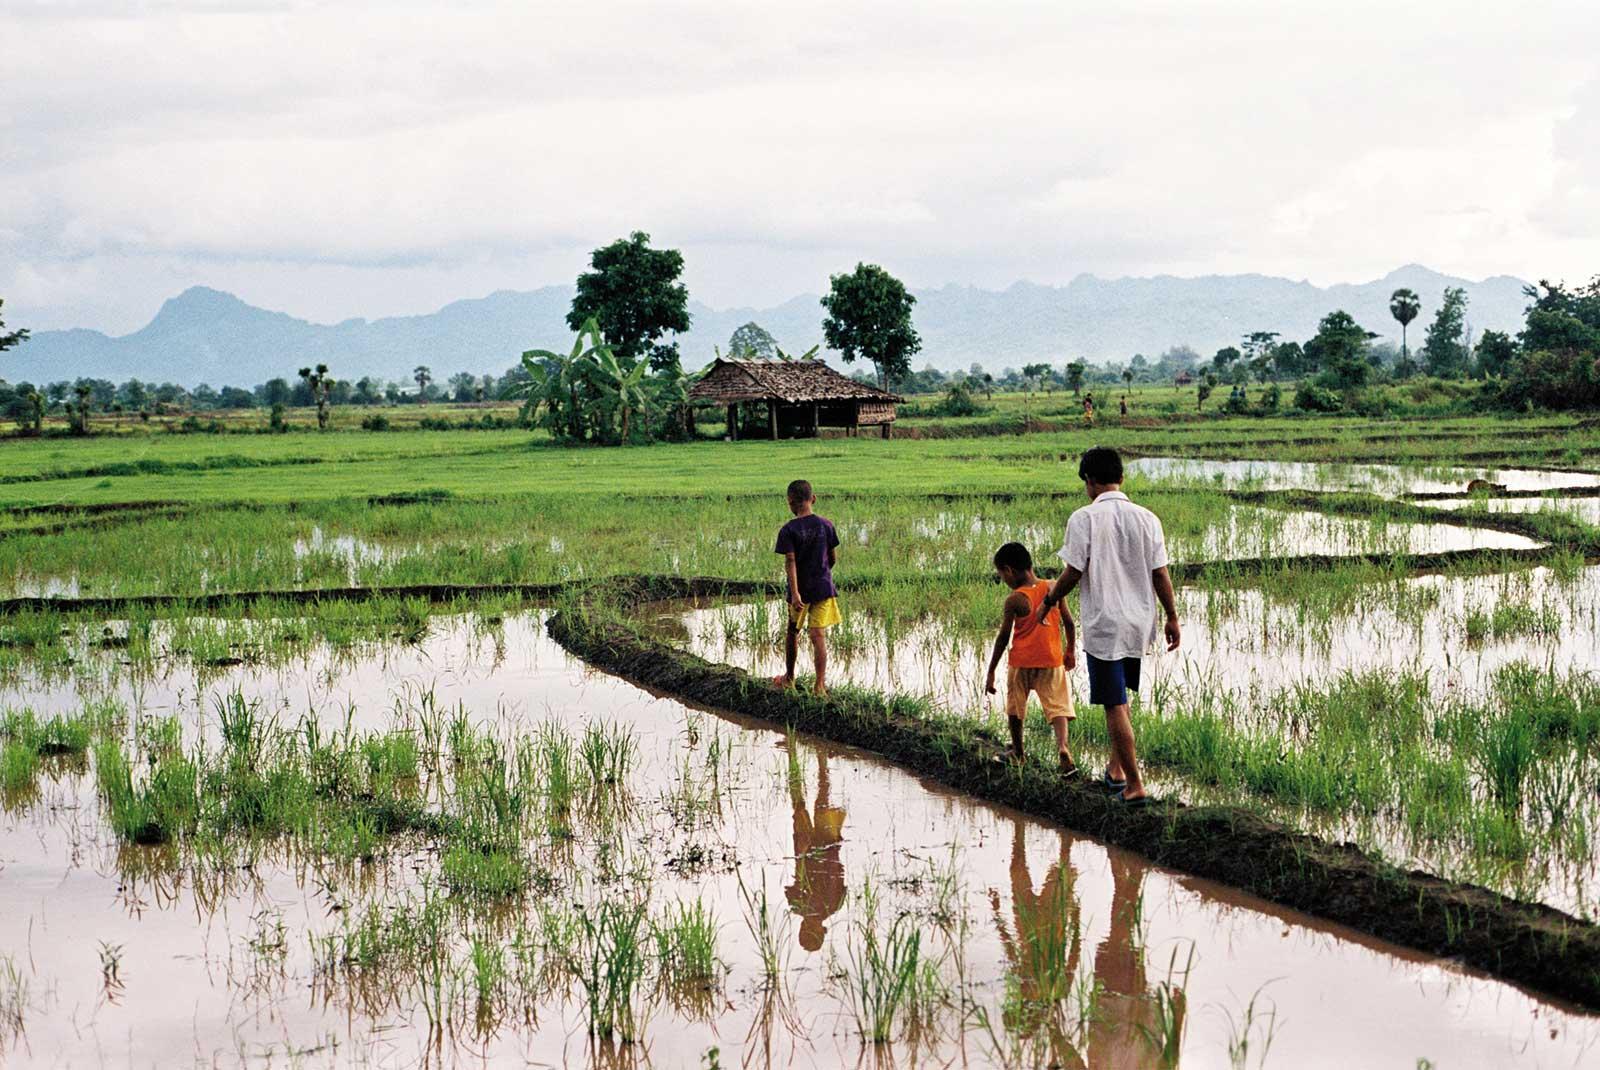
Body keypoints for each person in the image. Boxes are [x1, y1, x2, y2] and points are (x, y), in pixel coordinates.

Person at [1037, 447, 1179, 804]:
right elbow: (1160, 574)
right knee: (1121, 697)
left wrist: (1051, 600)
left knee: (1113, 703)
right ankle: (1116, 771)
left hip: (1105, 623)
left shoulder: (1083, 519)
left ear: (1089, 481)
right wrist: (1172, 616)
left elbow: (1072, 572)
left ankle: (1135, 784)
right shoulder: (1148, 518)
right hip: (1139, 620)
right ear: (1121, 477)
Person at [985, 541, 1078, 774]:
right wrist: (1070, 650)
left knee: (1016, 707)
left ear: (1009, 570)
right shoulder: (1052, 587)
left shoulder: (1015, 599)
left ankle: (1018, 753)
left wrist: (991, 670)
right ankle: (1063, 747)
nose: (1004, 581)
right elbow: (1069, 623)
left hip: (1021, 661)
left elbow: (1003, 637)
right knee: (1058, 708)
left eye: (1001, 575)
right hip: (1051, 659)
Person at [773, 478, 841, 695]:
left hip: (799, 592)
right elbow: (832, 558)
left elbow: (790, 562)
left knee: (793, 631)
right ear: (813, 499)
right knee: (818, 635)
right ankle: (819, 685)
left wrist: (795, 593)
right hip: (823, 587)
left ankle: (789, 678)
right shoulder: (826, 525)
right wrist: (822, 574)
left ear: (790, 502)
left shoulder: (788, 530)